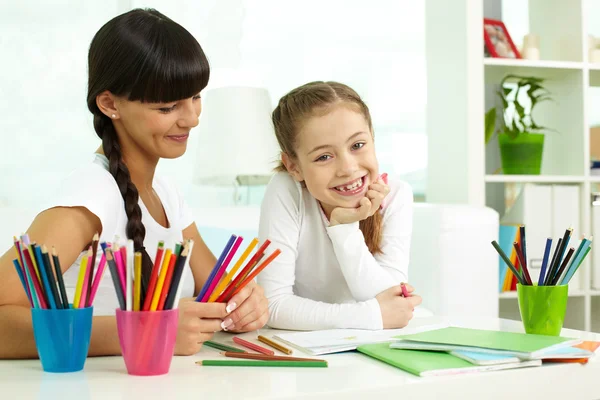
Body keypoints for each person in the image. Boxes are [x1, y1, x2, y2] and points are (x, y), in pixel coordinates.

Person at [0, 8, 268, 359]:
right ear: (110, 104)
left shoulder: (167, 195)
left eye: (196, 96)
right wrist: (147, 331)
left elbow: (221, 294)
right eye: (169, 106)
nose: (191, 118)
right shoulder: (91, 194)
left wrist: (248, 303)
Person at [257, 81, 422, 331]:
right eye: (324, 157)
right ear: (294, 166)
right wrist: (370, 316)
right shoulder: (287, 190)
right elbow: (274, 305)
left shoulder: (396, 193)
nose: (348, 168)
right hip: (306, 350)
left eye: (357, 145)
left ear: (373, 137)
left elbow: (391, 301)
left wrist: (345, 229)